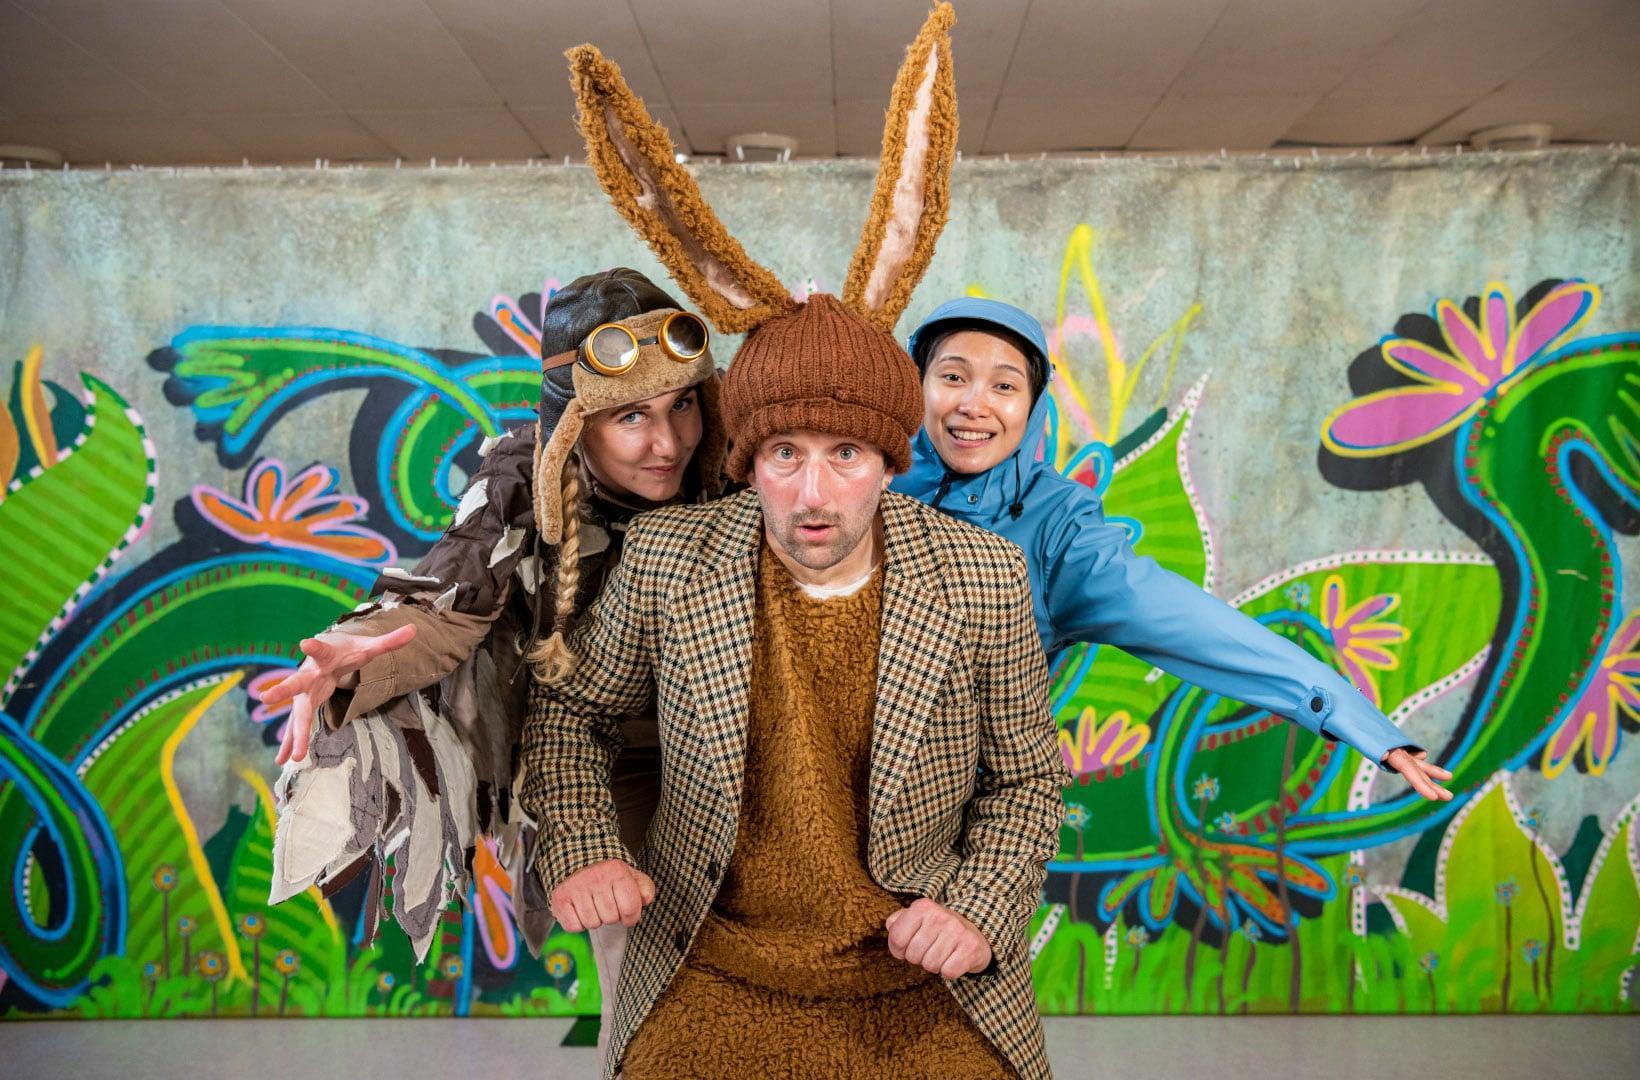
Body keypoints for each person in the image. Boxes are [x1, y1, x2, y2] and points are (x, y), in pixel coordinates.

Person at [524, 7, 1062, 1076]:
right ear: (744, 457)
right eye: (783, 455)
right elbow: (570, 715)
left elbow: (1025, 785)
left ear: (891, 461)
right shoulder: (673, 561)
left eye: (845, 455)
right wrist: (583, 846)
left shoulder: (981, 573)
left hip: (919, 973)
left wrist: (977, 904)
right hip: (712, 962)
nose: (813, 493)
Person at [258, 267, 726, 1065]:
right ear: (575, 420)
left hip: (729, 746)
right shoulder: (523, 478)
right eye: (631, 416)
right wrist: (358, 658)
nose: (667, 442)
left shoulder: (731, 463)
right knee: (647, 981)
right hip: (595, 762)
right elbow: (449, 606)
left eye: (681, 404)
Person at [891, 295, 1455, 800]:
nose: (974, 404)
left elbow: (1198, 628)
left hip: (952, 824)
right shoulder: (867, 484)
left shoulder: (1057, 533)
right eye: (953, 377)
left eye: (1004, 386)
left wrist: (1349, 714)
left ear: (1033, 404)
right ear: (916, 384)